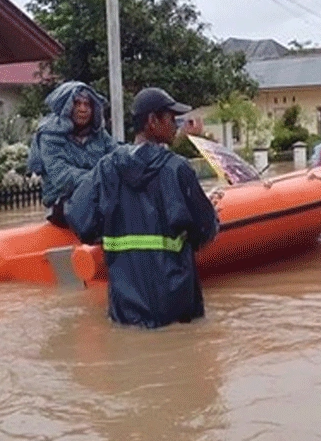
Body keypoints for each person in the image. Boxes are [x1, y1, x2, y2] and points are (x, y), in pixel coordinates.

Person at [65, 87, 220, 329]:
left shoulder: (106, 169)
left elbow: (79, 219)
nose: (176, 125)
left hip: (125, 307)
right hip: (175, 306)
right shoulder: (177, 169)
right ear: (152, 121)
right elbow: (206, 229)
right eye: (170, 118)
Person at [26, 81, 117, 227]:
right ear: (67, 107)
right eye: (77, 104)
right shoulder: (50, 135)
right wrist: (98, 179)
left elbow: (116, 157)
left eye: (87, 105)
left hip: (97, 196)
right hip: (62, 202)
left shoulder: (99, 134)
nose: (83, 109)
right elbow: (61, 176)